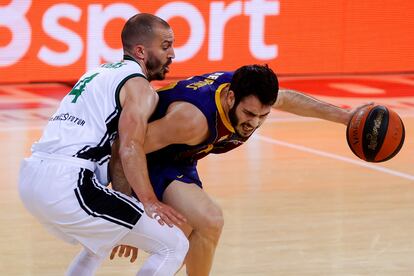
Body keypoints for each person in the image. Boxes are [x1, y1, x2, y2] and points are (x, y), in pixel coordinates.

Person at [107, 64, 363, 275]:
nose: (255, 122)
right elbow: (124, 148)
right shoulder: (191, 120)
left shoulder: (251, 94)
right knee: (209, 221)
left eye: (263, 115)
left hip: (180, 158)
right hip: (151, 157)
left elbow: (291, 100)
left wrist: (346, 118)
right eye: (249, 113)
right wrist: (126, 207)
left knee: (186, 243)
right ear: (230, 97)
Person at [18, 13, 189, 275]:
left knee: (97, 244)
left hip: (33, 178)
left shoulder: (98, 72)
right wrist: (149, 202)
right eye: (166, 46)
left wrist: (127, 208)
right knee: (174, 245)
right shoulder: (139, 88)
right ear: (141, 51)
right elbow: (129, 148)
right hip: (68, 183)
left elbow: (116, 154)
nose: (173, 54)